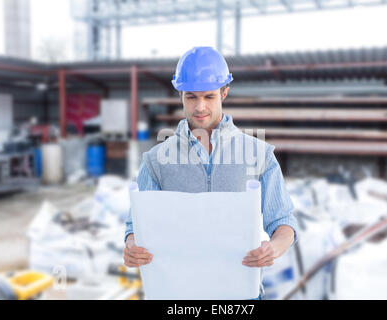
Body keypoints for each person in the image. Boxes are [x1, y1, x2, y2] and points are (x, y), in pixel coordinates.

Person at [123, 46, 298, 300]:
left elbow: (283, 221)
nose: (199, 107)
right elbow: (135, 227)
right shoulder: (156, 160)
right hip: (177, 296)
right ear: (181, 95)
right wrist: (130, 246)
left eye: (209, 97)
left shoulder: (259, 155)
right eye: (191, 97)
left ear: (224, 93)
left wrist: (274, 248)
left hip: (240, 296)